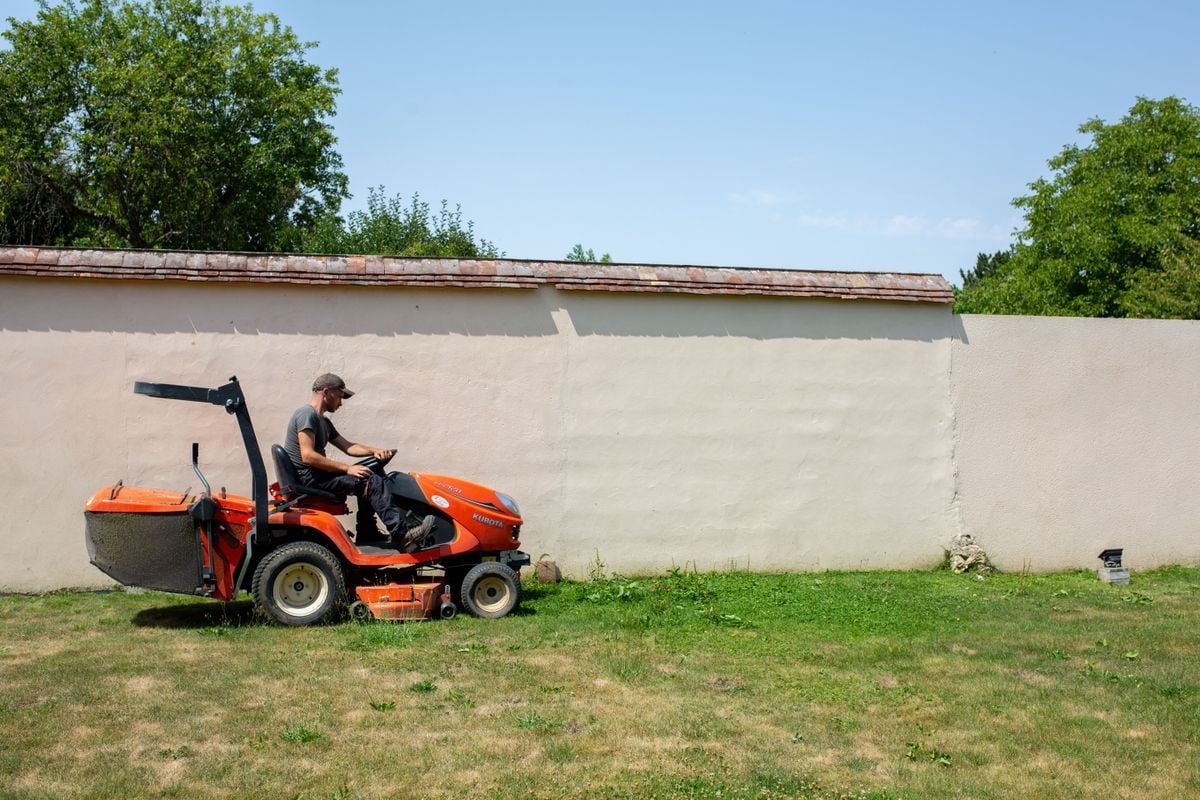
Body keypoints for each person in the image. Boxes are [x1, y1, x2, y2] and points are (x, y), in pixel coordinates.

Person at [284, 373, 435, 549]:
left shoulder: (323, 421)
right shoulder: (306, 414)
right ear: (326, 392)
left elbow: (348, 446)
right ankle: (403, 535)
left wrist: (374, 451)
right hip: (310, 477)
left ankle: (367, 531)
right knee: (371, 481)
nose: (340, 403)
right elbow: (308, 456)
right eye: (339, 397)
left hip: (317, 474)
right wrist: (347, 469)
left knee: (371, 472)